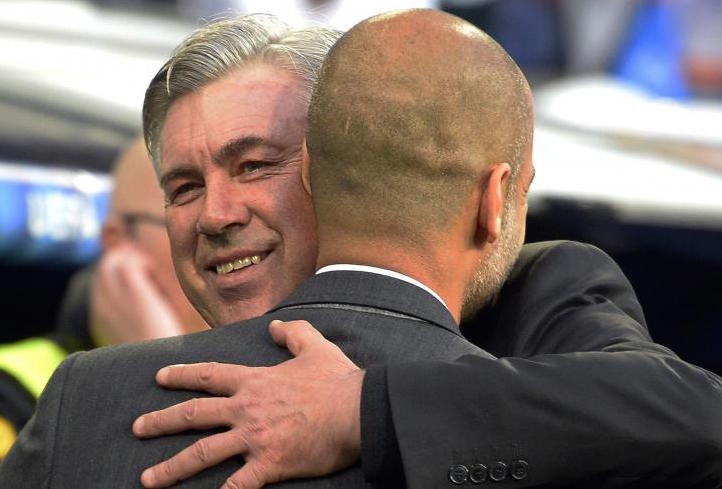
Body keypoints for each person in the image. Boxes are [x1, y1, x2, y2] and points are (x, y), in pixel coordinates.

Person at [3, 11, 721, 488]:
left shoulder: (526, 293)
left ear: (338, 162)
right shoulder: (89, 397)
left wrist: (366, 410)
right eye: (184, 187)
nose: (215, 215)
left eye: (254, 165)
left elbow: (696, 415)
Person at [0, 137, 208, 458]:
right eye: (187, 211)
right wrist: (154, 369)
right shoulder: (12, 395)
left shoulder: (279, 373)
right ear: (118, 242)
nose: (220, 228)